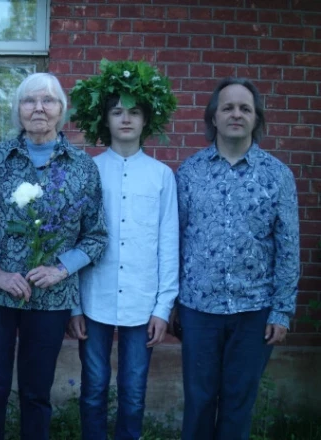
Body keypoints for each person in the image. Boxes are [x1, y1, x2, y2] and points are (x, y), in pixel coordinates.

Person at [0, 72, 108, 440]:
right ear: (18, 110)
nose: (38, 108)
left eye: (47, 101)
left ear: (61, 110)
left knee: (36, 393)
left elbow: (96, 237)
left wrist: (60, 270)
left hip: (51, 300)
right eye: (29, 101)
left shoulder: (82, 166)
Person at [176, 78, 300, 440]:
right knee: (198, 402)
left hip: (255, 311)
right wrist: (170, 304)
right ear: (213, 117)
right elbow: (175, 240)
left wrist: (281, 310)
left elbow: (289, 247)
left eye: (245, 108)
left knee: (238, 405)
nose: (236, 114)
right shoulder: (189, 173)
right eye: (227, 107)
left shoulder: (277, 175)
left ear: (256, 118)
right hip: (199, 310)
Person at [68, 60, 179, 440]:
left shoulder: (162, 177)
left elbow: (168, 243)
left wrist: (163, 307)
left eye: (133, 112)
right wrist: (75, 306)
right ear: (107, 120)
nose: (126, 119)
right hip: (94, 298)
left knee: (133, 394)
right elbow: (75, 238)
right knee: (93, 389)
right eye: (117, 111)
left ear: (146, 120)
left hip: (141, 301)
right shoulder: (88, 170)